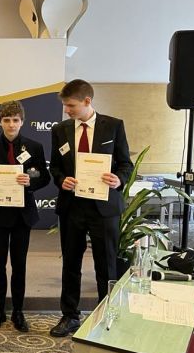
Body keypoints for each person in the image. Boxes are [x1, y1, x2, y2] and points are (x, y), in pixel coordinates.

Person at [49, 79, 133, 337]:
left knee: (106, 265)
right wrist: (61, 180)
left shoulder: (114, 126)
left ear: (87, 101)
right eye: (65, 106)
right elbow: (55, 166)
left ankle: (107, 316)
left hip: (104, 208)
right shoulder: (60, 130)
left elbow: (126, 164)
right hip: (72, 207)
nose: (67, 110)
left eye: (71, 105)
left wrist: (119, 179)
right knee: (70, 264)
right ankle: (70, 316)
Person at [0, 100, 50, 332]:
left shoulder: (34, 146)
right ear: (0, 122)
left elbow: (44, 177)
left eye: (15, 120)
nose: (11, 124)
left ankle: (18, 311)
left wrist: (31, 181)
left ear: (22, 122)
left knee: (19, 265)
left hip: (23, 215)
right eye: (7, 120)